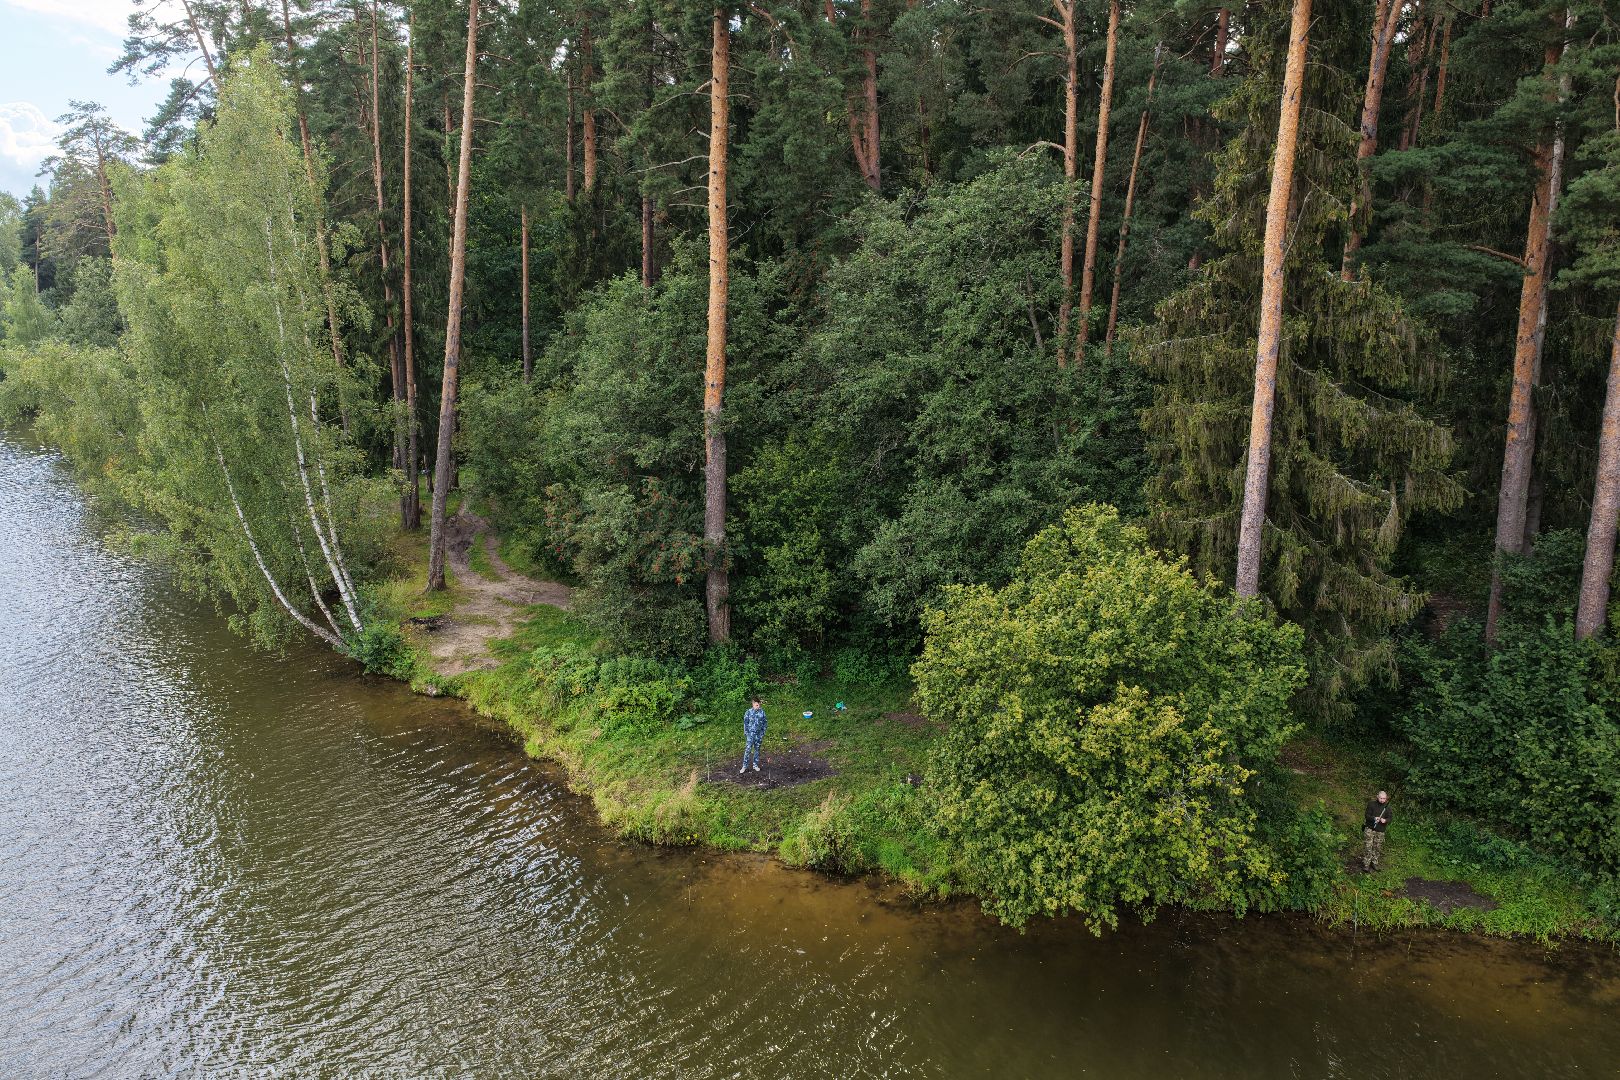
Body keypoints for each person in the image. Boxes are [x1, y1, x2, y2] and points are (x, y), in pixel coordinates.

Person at [1362, 790, 1392, 872]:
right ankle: (1366, 864)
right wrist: (1374, 818)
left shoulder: (1388, 807)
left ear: (1386, 799)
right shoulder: (1371, 804)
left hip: (1380, 831)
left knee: (1377, 847)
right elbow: (1367, 816)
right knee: (1368, 846)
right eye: (1381, 798)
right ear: (1377, 797)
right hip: (1370, 829)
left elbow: (1390, 819)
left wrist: (1385, 821)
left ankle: (1374, 862)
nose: (1382, 800)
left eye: (1384, 798)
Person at [740, 697, 767, 774]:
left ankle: (755, 765)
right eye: (756, 705)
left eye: (758, 705)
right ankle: (744, 766)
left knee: (757, 750)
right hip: (750, 735)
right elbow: (745, 723)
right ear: (753, 704)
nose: (758, 706)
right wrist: (746, 733)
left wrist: (762, 733)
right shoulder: (748, 712)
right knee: (748, 750)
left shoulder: (762, 712)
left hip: (758, 735)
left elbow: (765, 723)